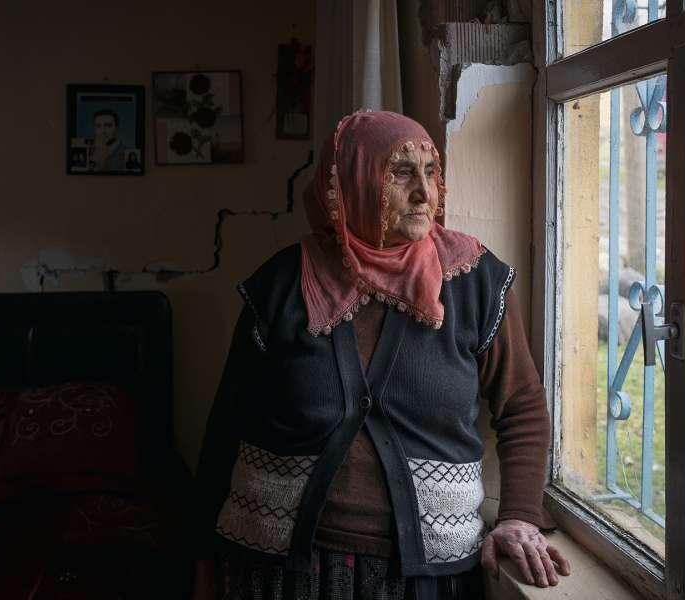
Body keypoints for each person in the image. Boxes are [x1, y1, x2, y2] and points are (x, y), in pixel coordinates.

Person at [193, 111, 570, 600]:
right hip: (281, 567)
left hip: (428, 574)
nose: (424, 193)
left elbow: (521, 406)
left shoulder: (474, 282)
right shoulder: (282, 284)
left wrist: (518, 516)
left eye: (430, 172)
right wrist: (202, 556)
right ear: (351, 181)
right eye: (401, 173)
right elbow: (227, 423)